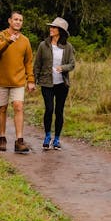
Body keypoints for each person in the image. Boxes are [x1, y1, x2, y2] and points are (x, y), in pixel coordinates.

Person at [0, 11, 35, 153]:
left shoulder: (25, 41)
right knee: (2, 108)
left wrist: (31, 80)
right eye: (15, 19)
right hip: (1, 79)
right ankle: (2, 138)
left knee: (18, 107)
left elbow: (28, 62)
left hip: (18, 80)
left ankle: (19, 141)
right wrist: (9, 40)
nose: (18, 22)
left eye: (20, 20)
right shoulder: (0, 36)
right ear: (9, 21)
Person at [33, 17, 76, 150]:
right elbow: (37, 65)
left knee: (59, 111)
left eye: (54, 27)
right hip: (47, 83)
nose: (51, 29)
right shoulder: (43, 45)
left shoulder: (68, 47)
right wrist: (33, 81)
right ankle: (47, 136)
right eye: (51, 27)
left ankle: (57, 139)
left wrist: (62, 68)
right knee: (49, 109)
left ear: (60, 31)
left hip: (62, 84)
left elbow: (72, 64)